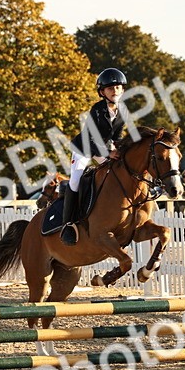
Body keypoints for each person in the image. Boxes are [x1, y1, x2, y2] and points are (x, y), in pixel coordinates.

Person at [62, 68, 127, 244]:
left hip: (103, 148)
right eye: (110, 88)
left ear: (123, 90)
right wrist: (108, 152)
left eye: (118, 87)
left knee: (116, 173)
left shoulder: (123, 111)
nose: (115, 91)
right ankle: (67, 224)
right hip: (84, 148)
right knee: (75, 181)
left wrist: (120, 151)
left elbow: (117, 137)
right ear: (102, 92)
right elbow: (91, 137)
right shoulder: (97, 110)